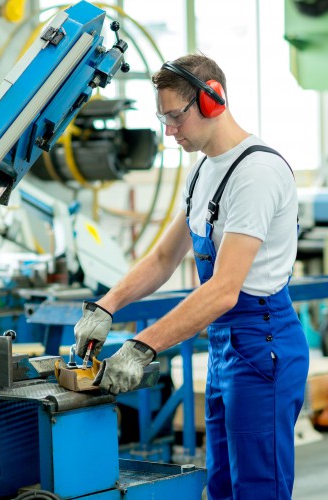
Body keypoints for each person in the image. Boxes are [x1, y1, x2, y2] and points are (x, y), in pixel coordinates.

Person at [73, 53, 309, 499]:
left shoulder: (256, 173)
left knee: (258, 488)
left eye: (176, 117)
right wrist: (106, 305)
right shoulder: (202, 168)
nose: (169, 131)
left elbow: (222, 291)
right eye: (162, 119)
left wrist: (142, 346)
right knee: (221, 484)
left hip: (263, 346)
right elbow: (164, 258)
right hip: (225, 348)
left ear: (213, 100)